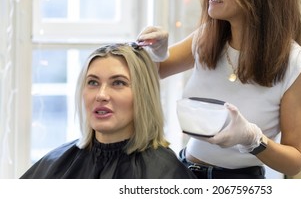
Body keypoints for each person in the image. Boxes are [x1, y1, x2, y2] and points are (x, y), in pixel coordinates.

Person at [137, 0, 301, 179]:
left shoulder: (296, 66)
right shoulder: (207, 38)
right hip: (184, 172)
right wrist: (155, 53)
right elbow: (149, 73)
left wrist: (255, 140)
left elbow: (294, 161)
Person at [20, 43, 196, 179]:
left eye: (118, 83)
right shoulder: (58, 162)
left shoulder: (164, 172)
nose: (101, 95)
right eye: (93, 82)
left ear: (143, 95)